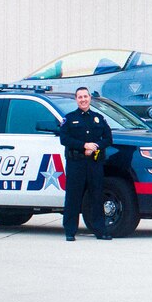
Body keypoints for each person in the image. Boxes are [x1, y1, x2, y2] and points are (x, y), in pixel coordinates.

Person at [60, 87, 113, 241]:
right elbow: (64, 139)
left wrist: (95, 146)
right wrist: (84, 145)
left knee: (96, 197)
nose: (83, 99)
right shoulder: (69, 119)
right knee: (73, 197)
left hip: (94, 163)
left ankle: (100, 231)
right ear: (76, 99)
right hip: (76, 163)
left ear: (90, 98)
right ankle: (70, 231)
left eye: (85, 96)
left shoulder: (98, 118)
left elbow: (108, 139)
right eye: (80, 97)